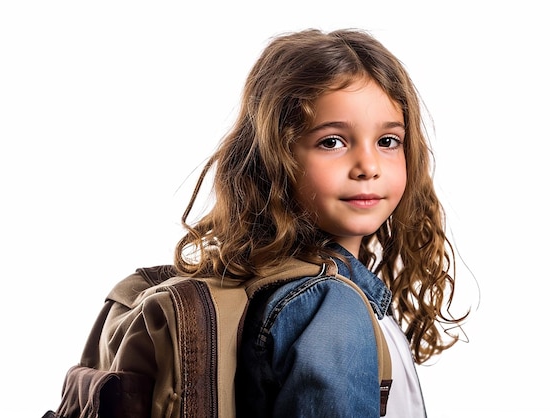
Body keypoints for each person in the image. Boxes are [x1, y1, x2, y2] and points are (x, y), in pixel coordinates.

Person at [174, 28, 469, 417]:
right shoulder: (328, 306)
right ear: (275, 159)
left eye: (388, 141)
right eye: (332, 142)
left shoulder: (282, 285)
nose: (368, 167)